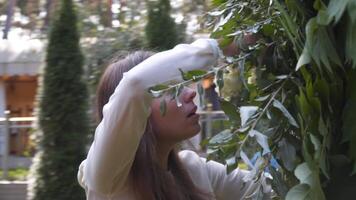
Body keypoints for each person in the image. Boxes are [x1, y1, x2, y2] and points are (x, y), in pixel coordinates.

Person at [77, 39, 271, 200]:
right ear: (136, 112)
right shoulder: (106, 181)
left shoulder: (195, 170)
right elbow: (135, 83)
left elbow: (274, 190)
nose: (189, 94)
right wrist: (221, 46)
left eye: (183, 84)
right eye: (170, 90)